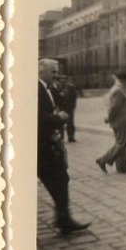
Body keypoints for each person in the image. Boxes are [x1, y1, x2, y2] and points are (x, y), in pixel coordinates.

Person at [38, 59, 89, 235]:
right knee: (58, 180)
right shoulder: (36, 89)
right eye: (53, 72)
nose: (56, 76)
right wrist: (59, 118)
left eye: (56, 72)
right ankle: (63, 219)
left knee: (61, 179)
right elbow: (39, 119)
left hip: (50, 145)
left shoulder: (49, 89)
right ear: (41, 71)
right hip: (41, 147)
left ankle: (63, 218)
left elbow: (63, 105)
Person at [96, 68, 126, 174]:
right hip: (120, 121)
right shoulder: (118, 90)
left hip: (122, 121)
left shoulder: (120, 89)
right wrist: (109, 118)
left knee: (123, 143)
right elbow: (114, 107)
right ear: (124, 80)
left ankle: (121, 166)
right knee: (121, 143)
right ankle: (103, 160)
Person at [53, 75, 80, 142]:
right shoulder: (56, 87)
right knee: (60, 123)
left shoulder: (71, 87)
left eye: (64, 79)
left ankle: (71, 137)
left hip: (69, 108)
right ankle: (61, 138)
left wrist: (73, 106)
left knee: (70, 123)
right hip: (61, 108)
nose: (63, 80)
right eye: (61, 79)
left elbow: (74, 97)